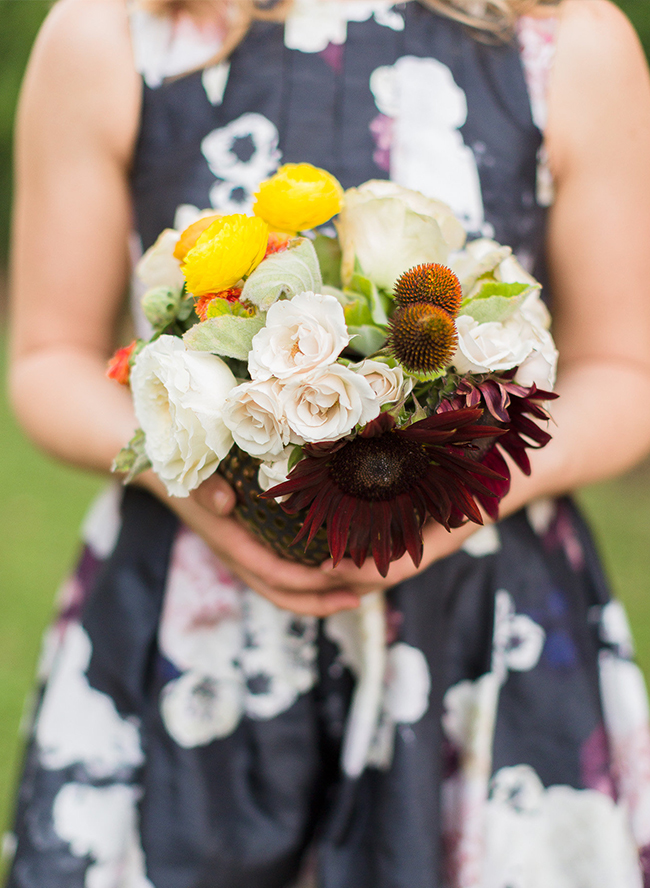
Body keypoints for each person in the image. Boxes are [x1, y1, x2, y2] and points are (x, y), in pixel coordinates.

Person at [7, 0, 650, 885]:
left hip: (477, 628)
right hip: (188, 632)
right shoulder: (113, 34)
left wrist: (473, 490)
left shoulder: (568, 44)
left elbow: (625, 371)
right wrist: (187, 472)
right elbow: (47, 361)